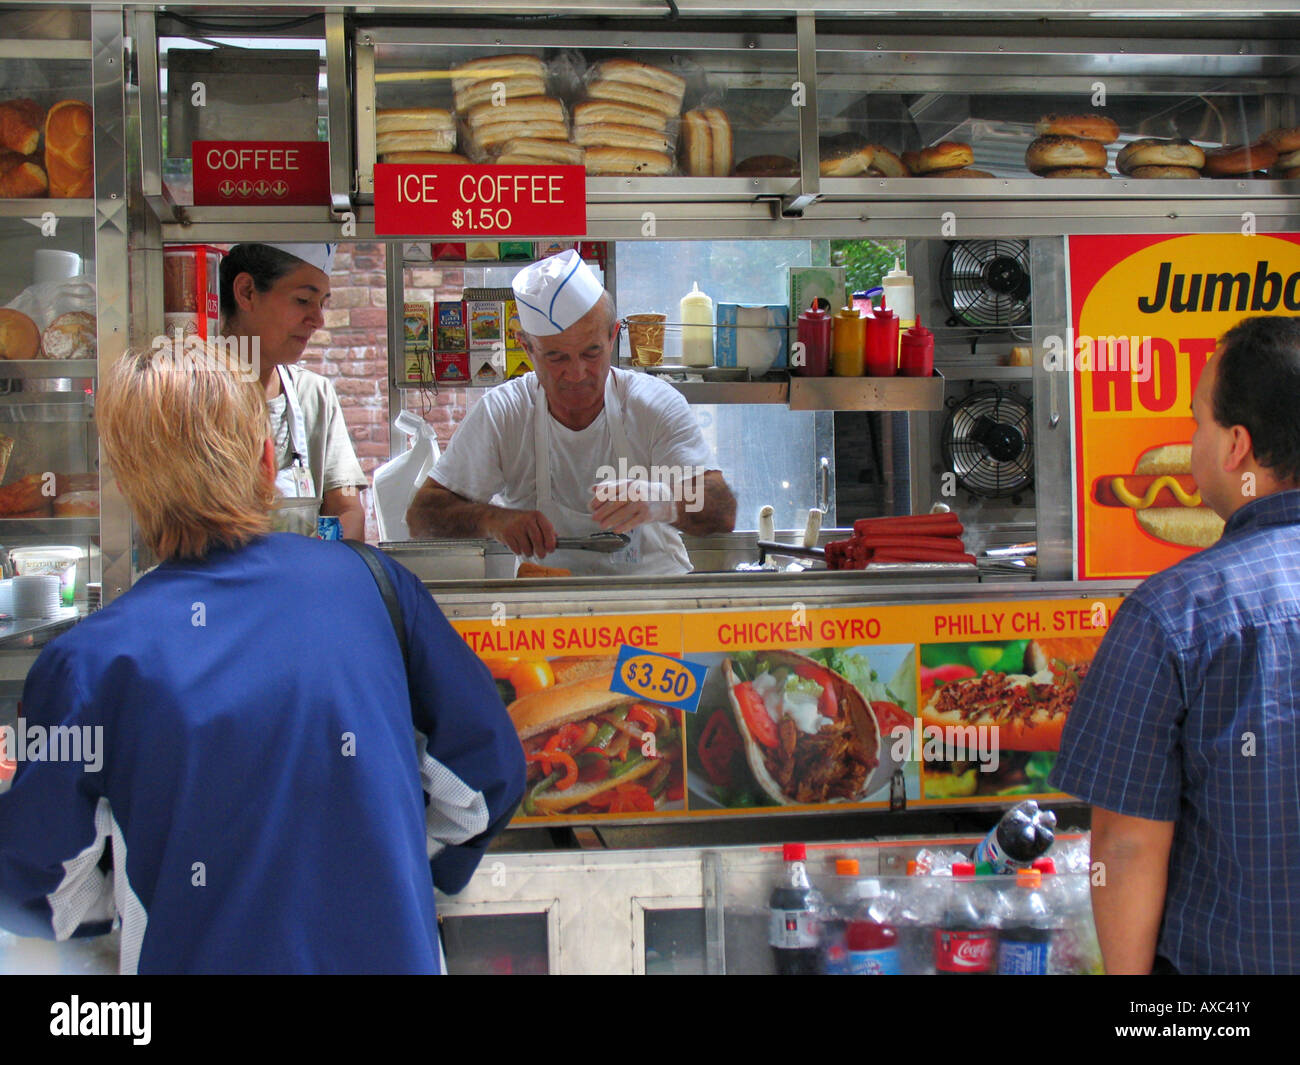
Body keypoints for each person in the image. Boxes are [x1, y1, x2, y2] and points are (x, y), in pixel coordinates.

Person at [0, 340, 525, 974]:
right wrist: (396, 858)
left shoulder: (85, 663)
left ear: (126, 480)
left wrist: (134, 866)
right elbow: (488, 773)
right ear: (267, 456)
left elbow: (38, 889)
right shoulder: (378, 589)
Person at [1051, 314, 1300, 975]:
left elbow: (1125, 843)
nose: (1191, 443)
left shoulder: (1173, 615)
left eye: (1198, 423)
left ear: (1237, 447)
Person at [406, 250, 737, 575]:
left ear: (612, 336)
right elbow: (422, 517)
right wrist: (493, 519)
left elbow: (721, 511)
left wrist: (664, 502)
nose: (577, 374)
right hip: (550, 611)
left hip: (652, 606)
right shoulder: (504, 413)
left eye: (591, 352)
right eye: (556, 357)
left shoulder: (654, 406)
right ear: (527, 348)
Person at [220, 242, 368, 539]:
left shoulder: (313, 395)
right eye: (303, 300)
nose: (318, 320)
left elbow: (347, 505)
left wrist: (320, 561)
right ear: (247, 292)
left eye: (322, 304)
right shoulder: (188, 394)